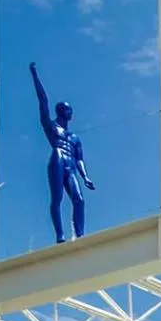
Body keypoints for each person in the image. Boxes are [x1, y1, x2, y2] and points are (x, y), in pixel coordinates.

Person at [29, 62, 97, 243]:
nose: (71, 112)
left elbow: (80, 159)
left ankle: (80, 234)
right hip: (58, 159)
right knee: (57, 197)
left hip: (72, 166)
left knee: (79, 199)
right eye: (68, 109)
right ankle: (60, 234)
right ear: (61, 111)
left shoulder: (74, 137)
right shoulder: (52, 127)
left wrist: (85, 177)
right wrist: (35, 75)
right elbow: (42, 100)